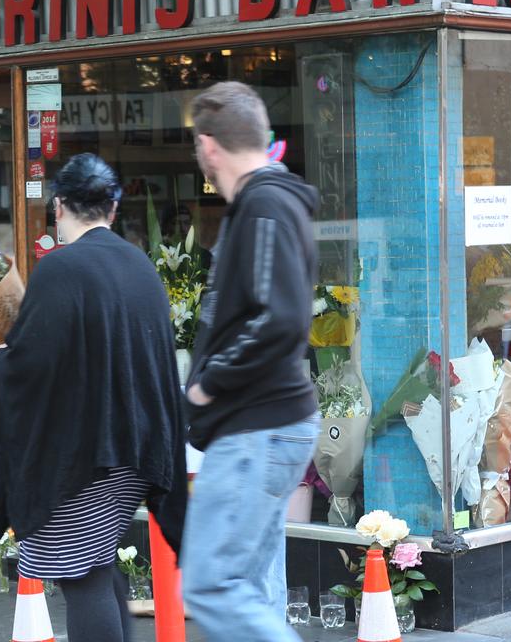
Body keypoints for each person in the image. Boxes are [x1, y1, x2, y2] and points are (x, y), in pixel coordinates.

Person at [0, 153, 186, 642]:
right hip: (139, 448)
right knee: (97, 561)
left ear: (58, 206)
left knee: (80, 575)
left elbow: (35, 366)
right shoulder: (139, 265)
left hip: (87, 454)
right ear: (112, 209)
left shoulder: (60, 269)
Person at [180, 81, 321, 641]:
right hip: (268, 425)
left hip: (255, 426)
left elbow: (276, 318)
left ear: (209, 147)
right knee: (253, 583)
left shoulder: (263, 206)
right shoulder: (270, 204)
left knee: (212, 586)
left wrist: (207, 385)